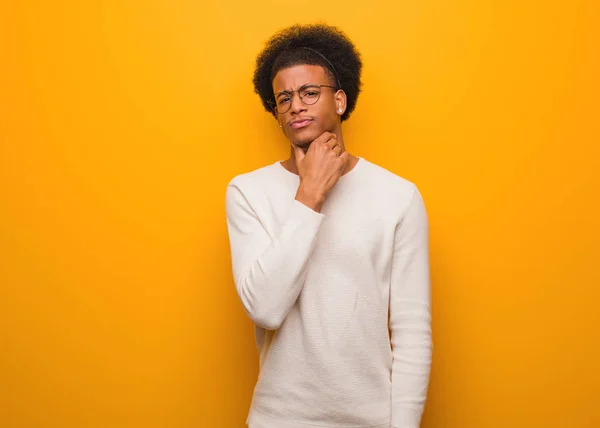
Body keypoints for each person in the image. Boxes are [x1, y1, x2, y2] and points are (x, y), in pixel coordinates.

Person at [225, 23, 432, 428]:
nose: (295, 106)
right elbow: (265, 309)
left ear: (339, 100)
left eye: (308, 93)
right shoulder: (248, 191)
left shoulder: (398, 196)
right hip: (277, 419)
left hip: (370, 420)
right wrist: (310, 194)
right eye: (283, 99)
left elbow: (412, 331)